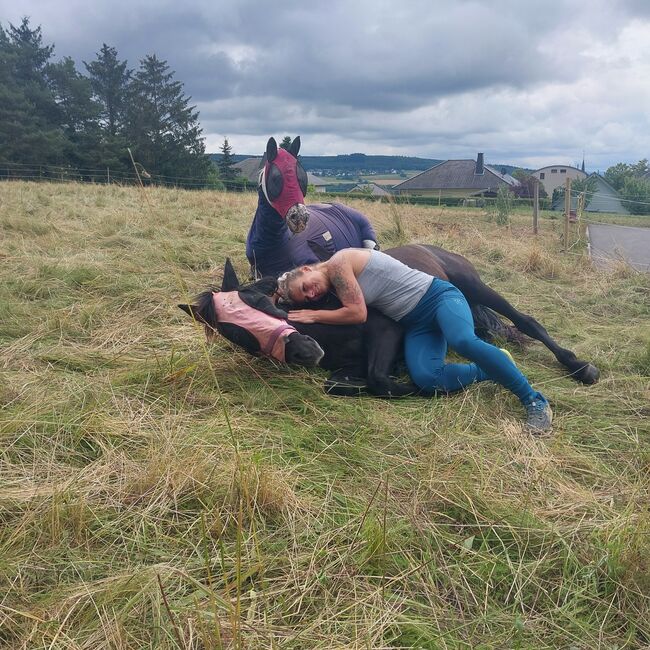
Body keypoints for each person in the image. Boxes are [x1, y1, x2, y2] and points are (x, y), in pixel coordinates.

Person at [278, 248, 553, 434]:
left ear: (306, 269)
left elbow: (358, 313)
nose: (312, 295)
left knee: (462, 341)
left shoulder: (338, 265)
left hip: (439, 298)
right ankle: (494, 366)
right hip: (417, 322)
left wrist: (313, 315)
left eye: (305, 287)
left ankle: (534, 401)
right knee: (427, 378)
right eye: (307, 299)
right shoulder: (334, 284)